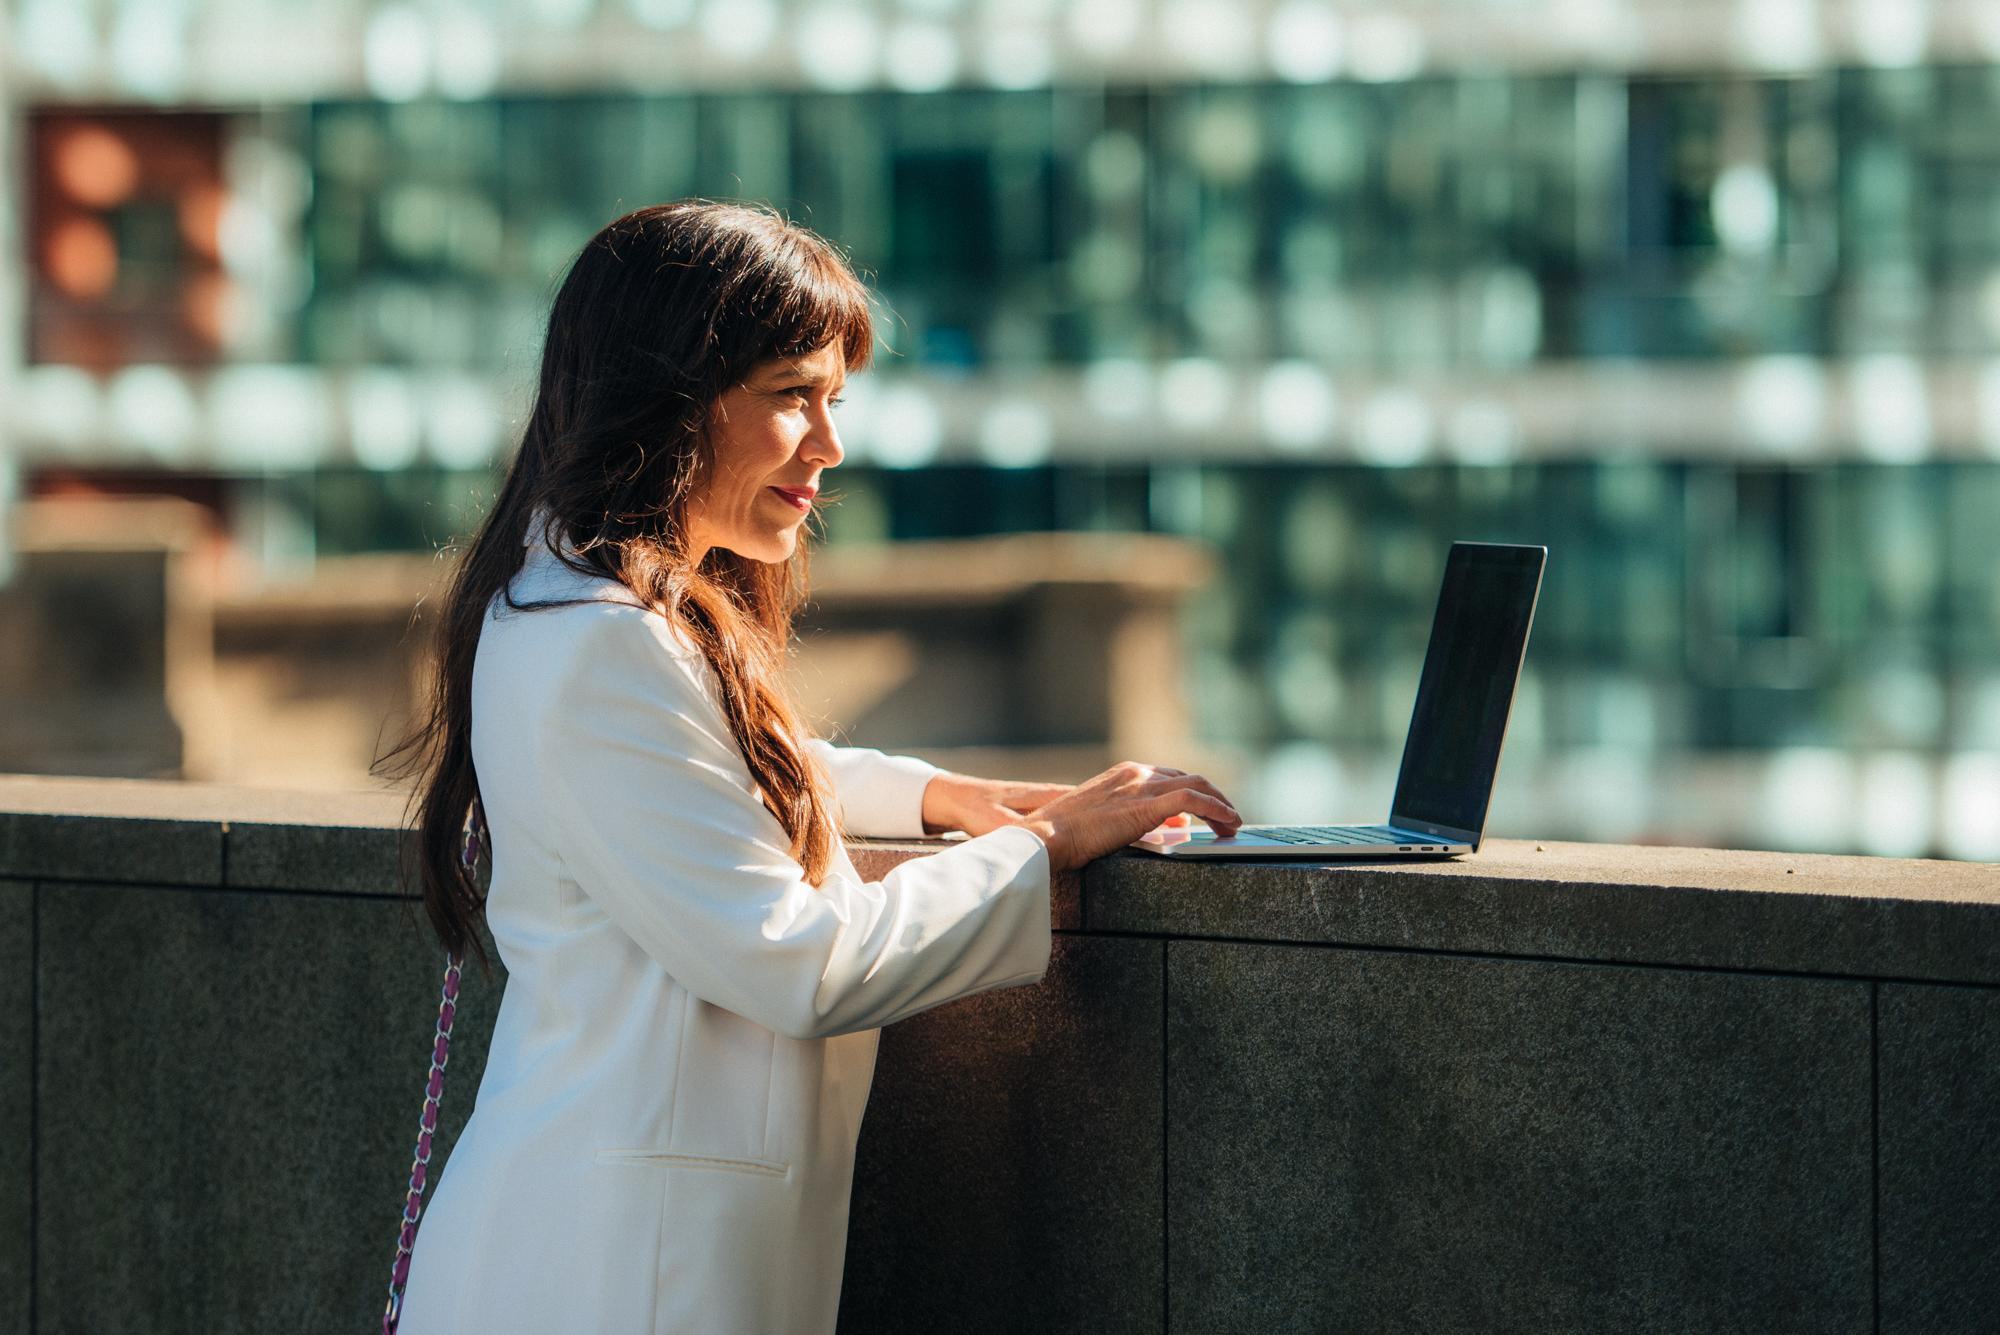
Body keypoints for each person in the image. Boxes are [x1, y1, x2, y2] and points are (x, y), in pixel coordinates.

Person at [387, 200, 1240, 1334]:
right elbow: (799, 963)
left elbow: (691, 781)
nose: (828, 445)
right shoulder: (601, 640)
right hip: (615, 1279)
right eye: (793, 395)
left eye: (833, 400)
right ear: (667, 397)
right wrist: (1043, 846)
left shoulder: (564, 604)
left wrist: (939, 799)